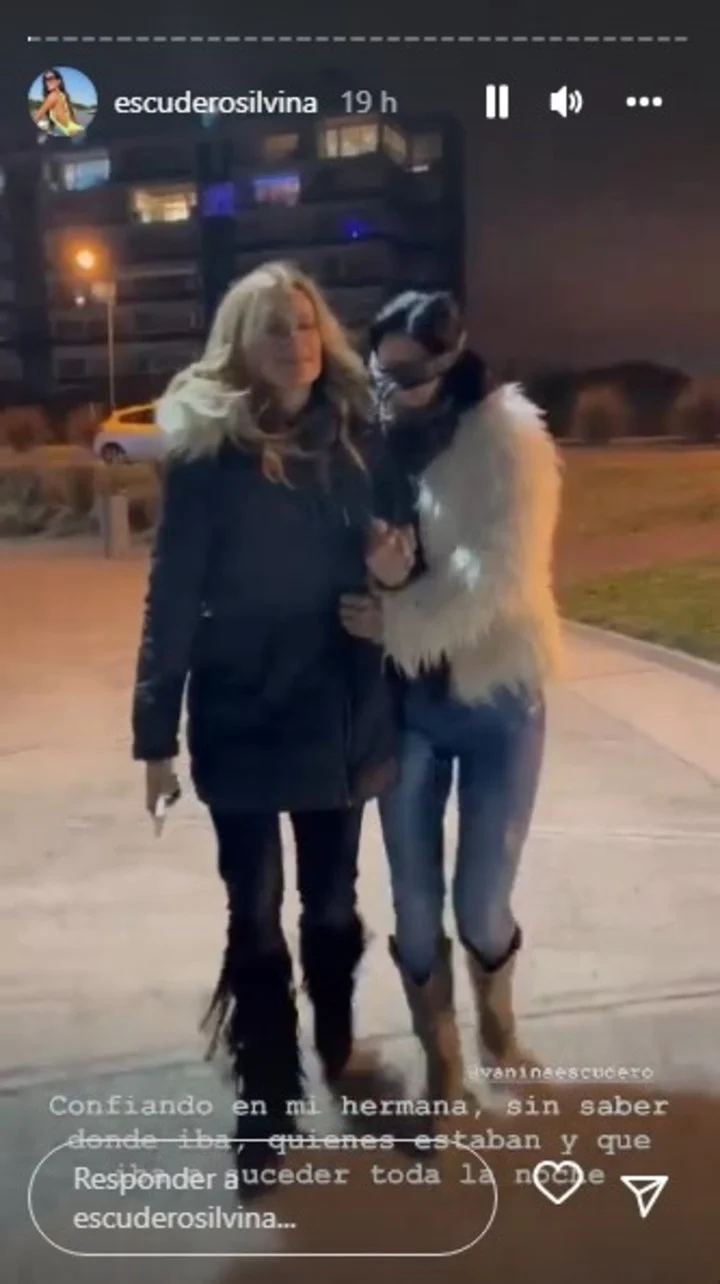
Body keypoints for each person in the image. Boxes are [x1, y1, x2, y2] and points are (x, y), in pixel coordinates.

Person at [131, 263, 415, 1183]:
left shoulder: (363, 439)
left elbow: (407, 555)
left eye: (303, 324)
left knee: (331, 905)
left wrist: (395, 580)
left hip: (341, 707)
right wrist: (154, 738)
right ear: (239, 349)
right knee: (253, 910)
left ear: (321, 334)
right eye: (272, 329)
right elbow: (172, 597)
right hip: (242, 712)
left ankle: (339, 1052)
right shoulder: (207, 458)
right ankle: (266, 1091)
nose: (294, 343)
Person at [341, 290, 563, 1105]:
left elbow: (500, 577)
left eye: (409, 374)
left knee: (480, 905)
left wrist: (398, 614)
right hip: (404, 708)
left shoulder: (508, 439)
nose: (393, 390)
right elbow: (342, 551)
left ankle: (498, 1031)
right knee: (412, 900)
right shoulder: (364, 441)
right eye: (381, 373)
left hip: (496, 696)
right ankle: (443, 1059)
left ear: (448, 361)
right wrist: (376, 574)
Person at [32, 69, 85, 136]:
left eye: (51, 78)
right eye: (45, 79)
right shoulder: (63, 95)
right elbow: (72, 116)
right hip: (75, 128)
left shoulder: (53, 96)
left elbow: (37, 117)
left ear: (58, 81)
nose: (48, 82)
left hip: (72, 131)